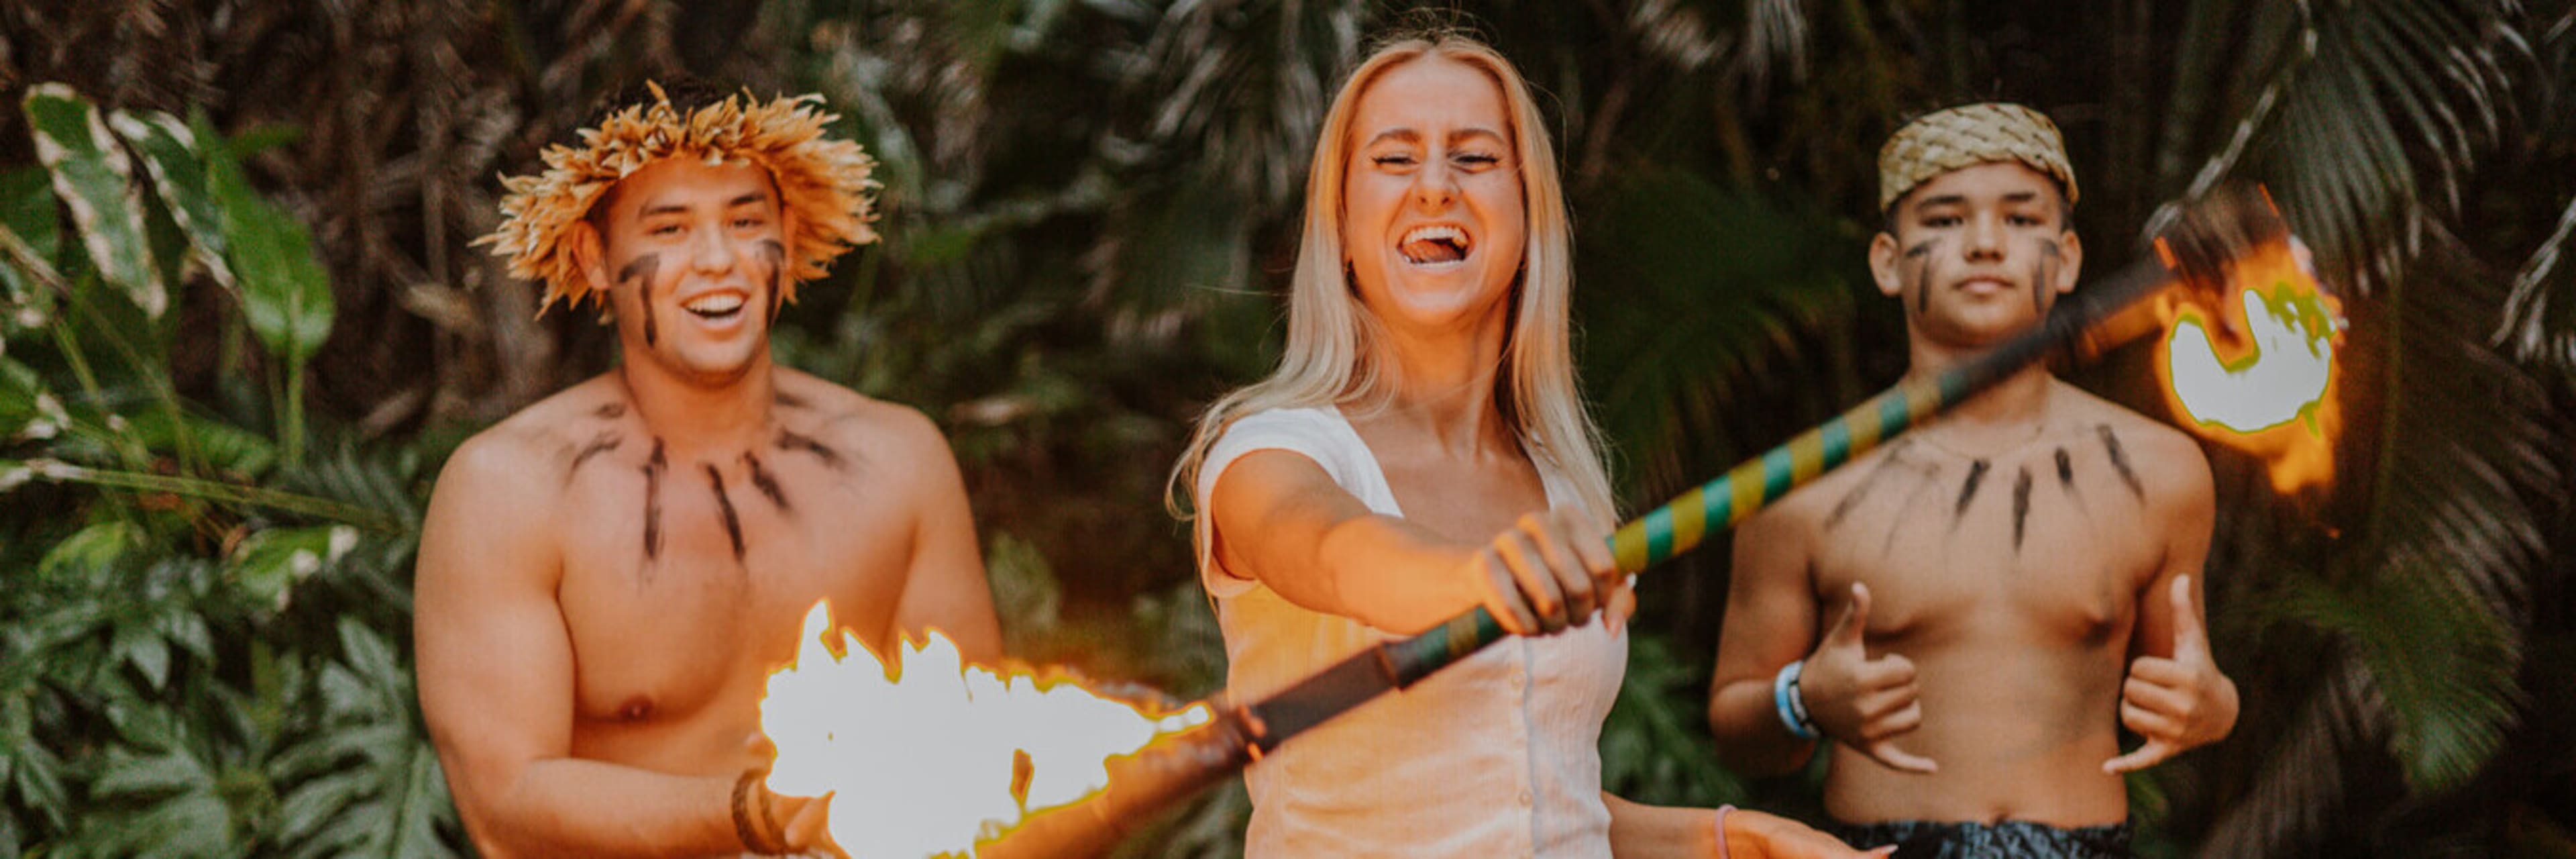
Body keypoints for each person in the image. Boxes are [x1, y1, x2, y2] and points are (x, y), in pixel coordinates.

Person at [1174, 31, 1876, 858]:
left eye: (1474, 158)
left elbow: (1534, 799)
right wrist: (1477, 578)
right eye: (1395, 160)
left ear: (1528, 210)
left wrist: (1730, 840)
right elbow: (1333, 549)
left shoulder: (1566, 486)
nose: (1435, 185)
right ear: (1342, 223)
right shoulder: (1270, 453)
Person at [415, 81, 1002, 858]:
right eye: (671, 228)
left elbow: (974, 743)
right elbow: (507, 806)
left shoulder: (899, 461)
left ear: (786, 239)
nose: (718, 260)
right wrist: (757, 813)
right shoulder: (510, 491)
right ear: (596, 256)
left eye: (745, 221)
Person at [1704, 103, 2240, 858]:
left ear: (2069, 258)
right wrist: (1803, 701)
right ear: (1888, 261)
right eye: (1946, 220)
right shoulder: (1802, 485)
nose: (1986, 245)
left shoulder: (2161, 471)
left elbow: (2190, 679)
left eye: (2022, 220)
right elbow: (1738, 734)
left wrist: (2211, 706)